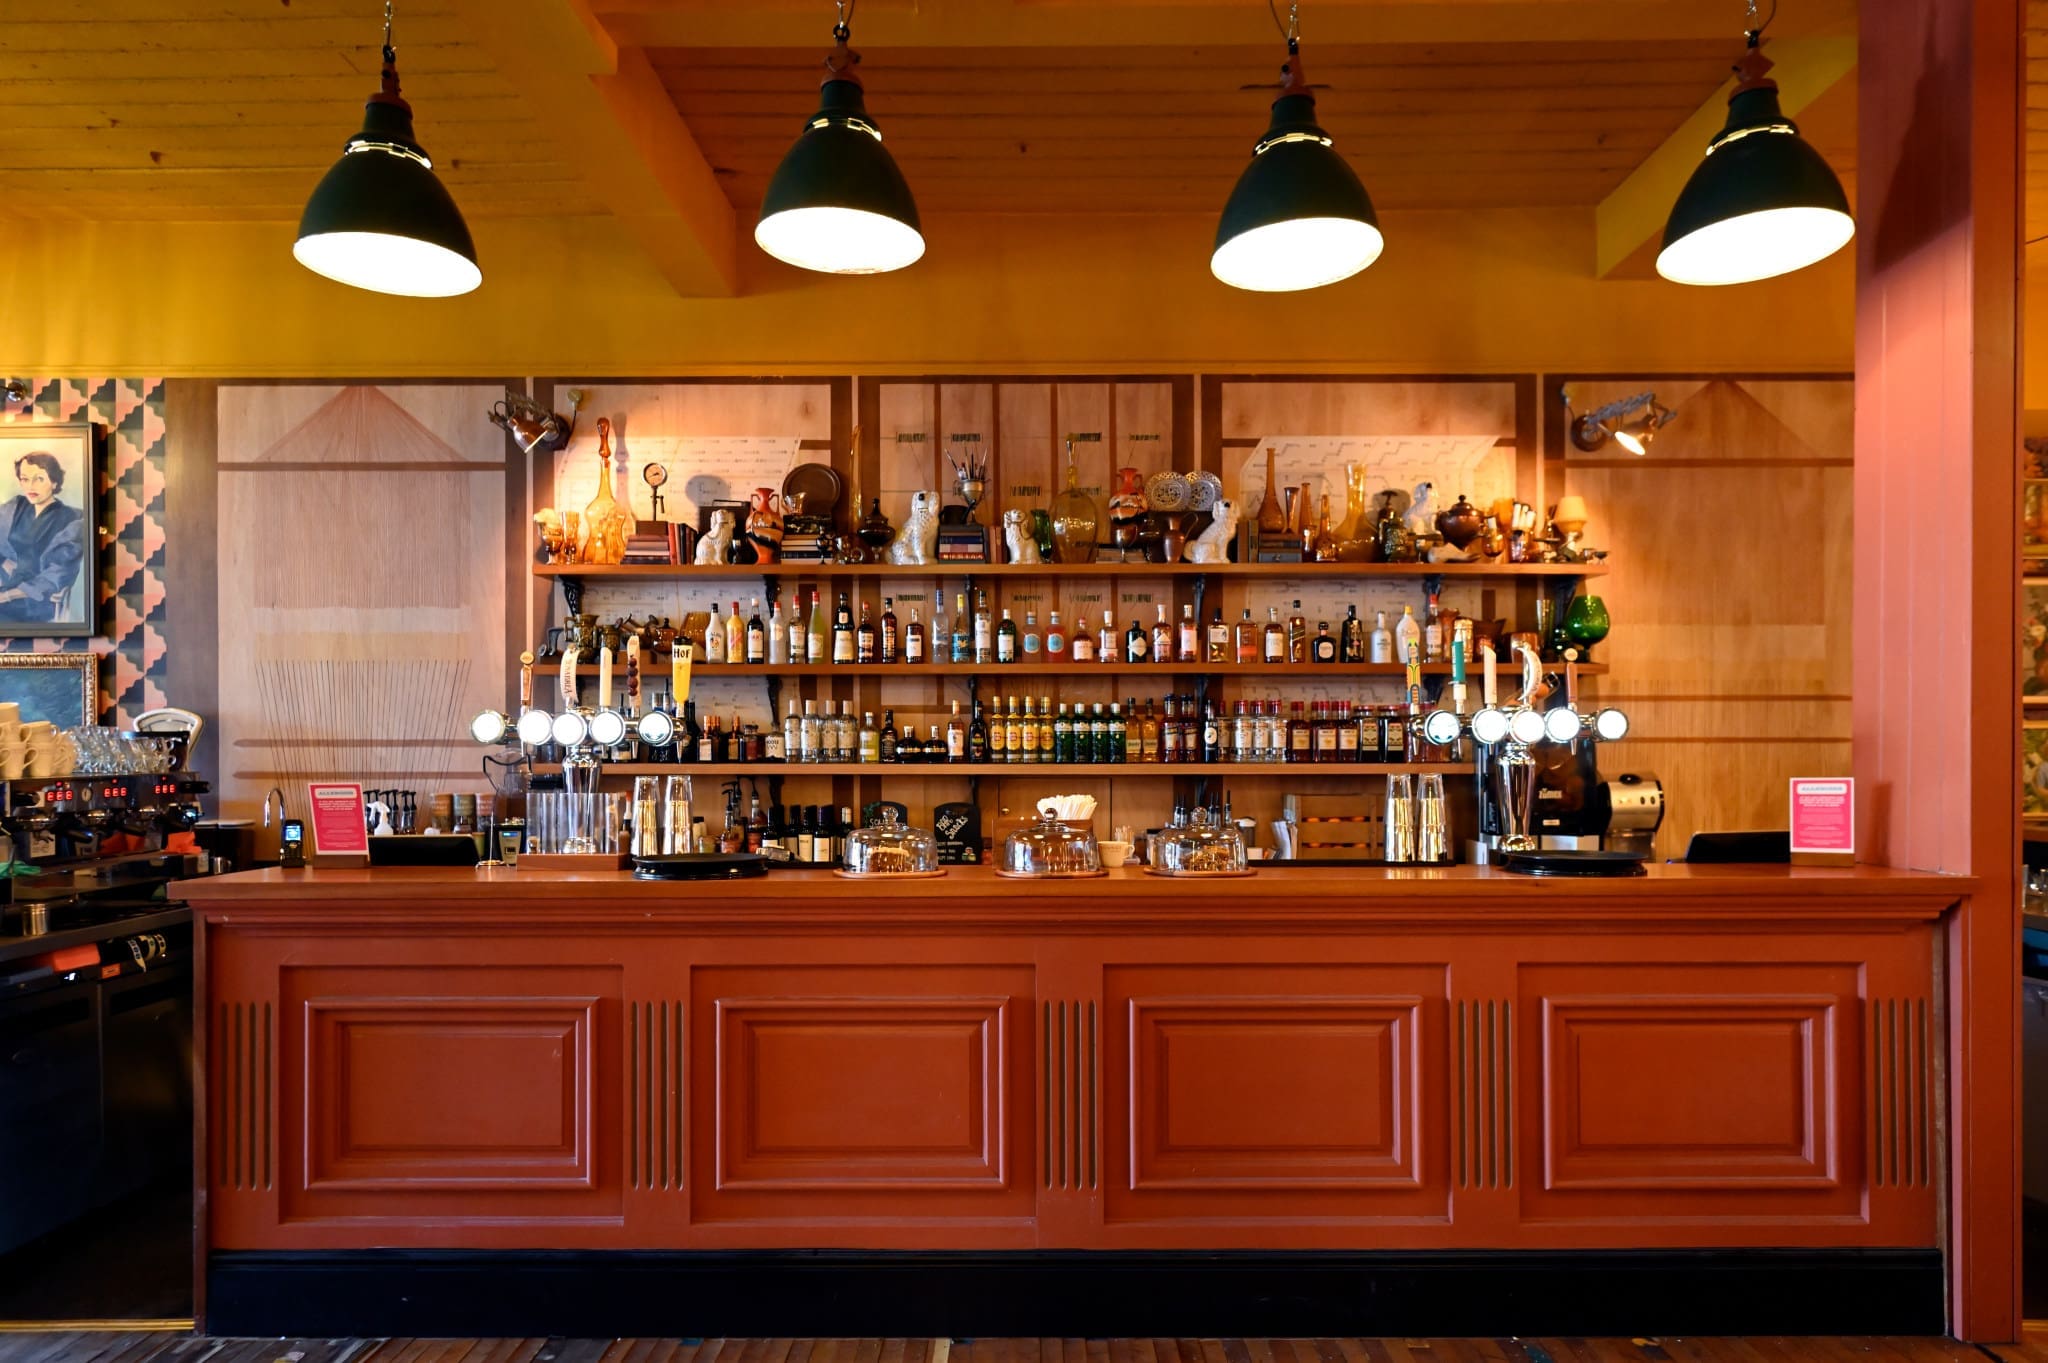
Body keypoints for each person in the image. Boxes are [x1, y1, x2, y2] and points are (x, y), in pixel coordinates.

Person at [0, 451, 84, 623]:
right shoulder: (15, 507)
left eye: (39, 479)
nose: (30, 486)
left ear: (54, 482)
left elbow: (58, 574)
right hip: (5, 584)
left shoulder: (73, 520)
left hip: (36, 600)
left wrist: (6, 596)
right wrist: (3, 562)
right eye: (25, 479)